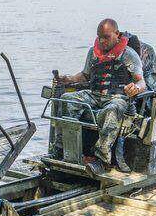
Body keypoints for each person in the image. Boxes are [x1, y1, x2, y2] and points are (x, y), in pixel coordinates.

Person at [55, 18, 146, 173]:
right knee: (66, 99)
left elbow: (142, 82)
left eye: (106, 37)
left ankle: (102, 160)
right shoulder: (93, 52)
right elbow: (85, 75)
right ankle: (64, 149)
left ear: (116, 34)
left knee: (111, 110)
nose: (102, 41)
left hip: (118, 98)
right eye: (100, 37)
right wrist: (68, 79)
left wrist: (135, 87)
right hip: (94, 95)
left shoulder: (128, 55)